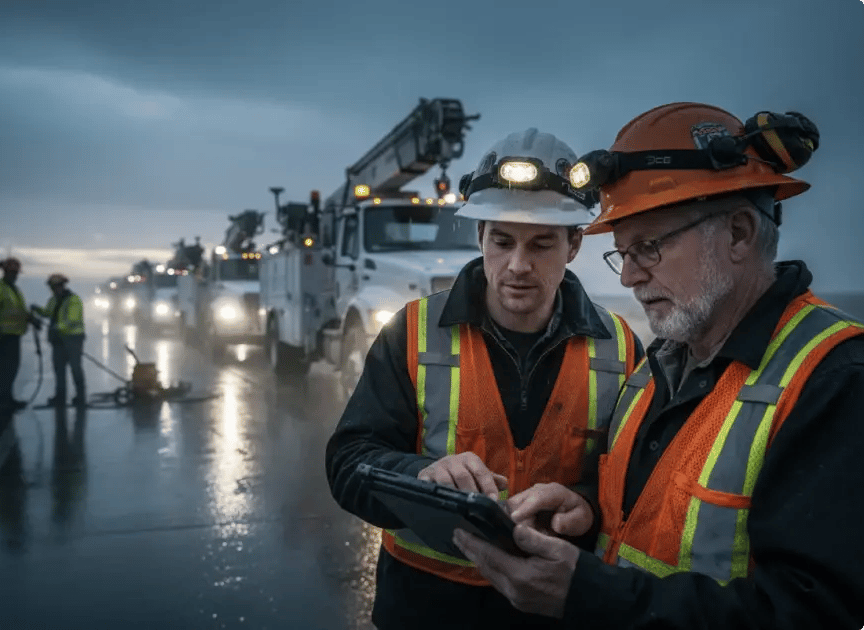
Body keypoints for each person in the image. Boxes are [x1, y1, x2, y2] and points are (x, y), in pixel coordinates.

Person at [452, 103, 864, 629]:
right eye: (621, 254)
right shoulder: (657, 370)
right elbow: (653, 527)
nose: (627, 278)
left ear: (738, 234)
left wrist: (592, 594)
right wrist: (583, 512)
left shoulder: (833, 379)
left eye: (647, 248)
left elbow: (815, 614)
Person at [325, 128, 644, 629]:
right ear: (480, 237)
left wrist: (583, 503)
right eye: (502, 241)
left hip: (555, 607)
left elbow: (638, 486)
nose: (518, 265)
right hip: (426, 608)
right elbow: (348, 464)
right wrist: (419, 478)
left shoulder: (622, 347)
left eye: (541, 244)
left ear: (575, 244)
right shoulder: (410, 332)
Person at [0, 257, 39, 413]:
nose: (14, 275)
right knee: (1, 370)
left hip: (13, 336)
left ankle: (8, 399)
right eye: (12, 272)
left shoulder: (14, 290)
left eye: (16, 273)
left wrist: (31, 319)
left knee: (11, 369)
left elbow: (19, 311)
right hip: (0, 336)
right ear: (5, 272)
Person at [31, 273, 87, 407]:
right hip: (58, 341)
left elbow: (72, 320)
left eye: (57, 286)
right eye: (53, 287)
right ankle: (60, 397)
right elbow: (48, 313)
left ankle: (80, 397)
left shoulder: (73, 300)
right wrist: (37, 310)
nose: (55, 289)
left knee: (75, 369)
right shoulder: (53, 300)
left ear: (63, 286)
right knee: (59, 370)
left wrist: (57, 327)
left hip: (73, 339)